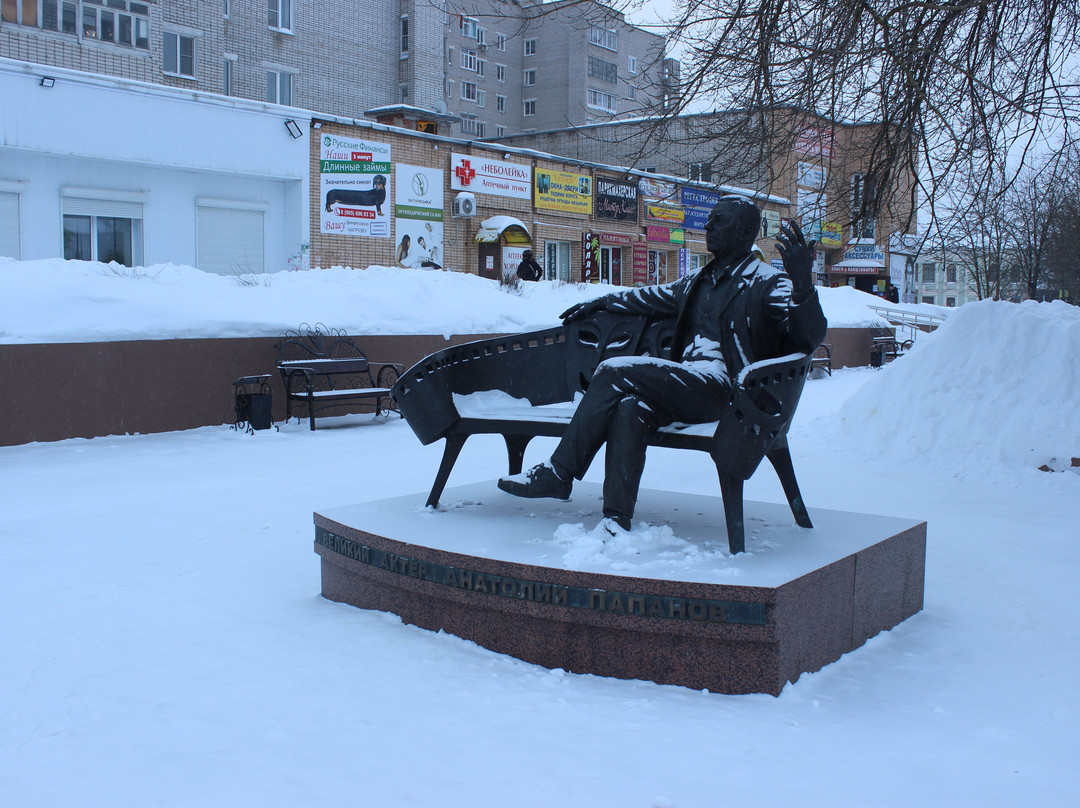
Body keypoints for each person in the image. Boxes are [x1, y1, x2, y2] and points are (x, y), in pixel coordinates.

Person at [498, 195, 827, 535]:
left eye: (719, 221)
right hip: (690, 385)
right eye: (710, 219)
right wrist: (601, 302)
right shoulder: (698, 281)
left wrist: (803, 286)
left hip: (731, 393)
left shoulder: (767, 283)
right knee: (630, 406)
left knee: (614, 371)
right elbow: (645, 296)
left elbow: (809, 337)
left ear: (745, 234)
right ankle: (615, 519)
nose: (709, 226)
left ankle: (559, 472)